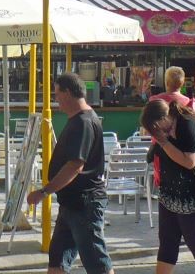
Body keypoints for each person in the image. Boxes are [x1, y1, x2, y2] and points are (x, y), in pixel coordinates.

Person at [26, 73, 114, 274]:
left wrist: (44, 192)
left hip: (84, 202)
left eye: (57, 94)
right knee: (57, 259)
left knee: (97, 262)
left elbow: (75, 165)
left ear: (68, 93)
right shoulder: (81, 119)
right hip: (72, 203)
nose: (56, 100)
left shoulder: (83, 122)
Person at [140, 98, 195, 274]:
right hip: (169, 194)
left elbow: (190, 162)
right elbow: (151, 157)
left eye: (155, 126)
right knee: (167, 243)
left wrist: (164, 142)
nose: (154, 131)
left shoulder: (187, 124)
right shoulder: (162, 134)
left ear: (165, 118)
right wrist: (159, 143)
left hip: (191, 196)